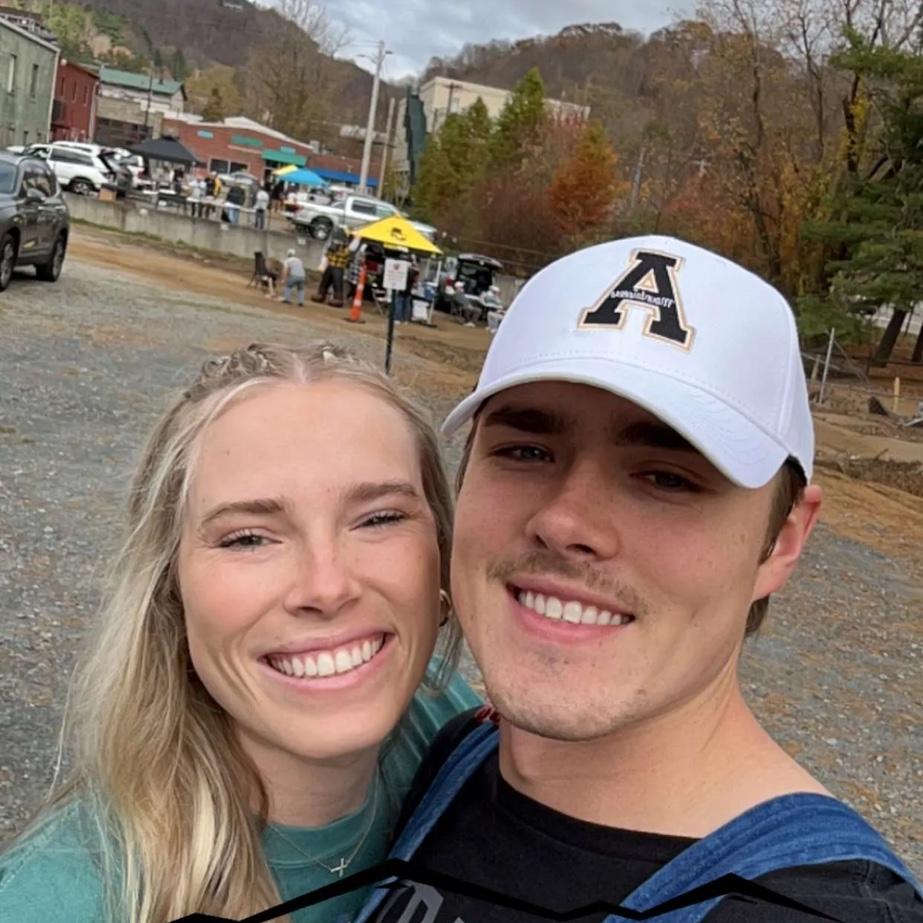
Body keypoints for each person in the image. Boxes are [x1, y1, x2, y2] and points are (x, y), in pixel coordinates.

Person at [358, 236, 923, 922]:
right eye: (526, 450)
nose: (565, 520)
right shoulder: (453, 758)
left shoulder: (816, 909)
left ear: (781, 539)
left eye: (666, 478)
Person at [0, 342, 480, 923]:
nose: (327, 586)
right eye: (248, 538)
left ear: (441, 554)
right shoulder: (56, 902)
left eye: (379, 518)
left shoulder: (453, 724)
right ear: (170, 591)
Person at [312, 230, 350, 307]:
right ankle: (321, 294)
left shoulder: (345, 249)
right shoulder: (333, 247)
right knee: (325, 281)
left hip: (338, 268)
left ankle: (338, 298)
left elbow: (345, 255)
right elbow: (327, 255)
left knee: (337, 283)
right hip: (331, 266)